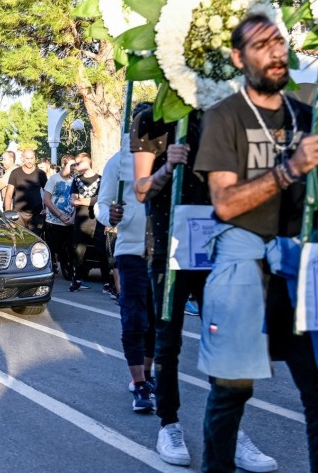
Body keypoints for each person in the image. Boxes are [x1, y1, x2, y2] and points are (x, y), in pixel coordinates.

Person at [194, 13, 318, 473]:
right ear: (239, 58)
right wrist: (289, 169)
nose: (275, 52)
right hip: (245, 273)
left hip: (303, 275)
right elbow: (223, 202)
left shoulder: (307, 115)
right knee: (231, 395)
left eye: (279, 42)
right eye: (261, 45)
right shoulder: (224, 116)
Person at [131, 103, 220, 465]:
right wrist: (168, 166)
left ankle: (228, 422)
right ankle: (169, 424)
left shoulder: (222, 114)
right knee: (168, 339)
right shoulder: (152, 119)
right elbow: (140, 189)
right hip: (169, 244)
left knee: (223, 336)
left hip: (215, 240)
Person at [94, 148, 153, 413]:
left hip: (162, 252)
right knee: (134, 318)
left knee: (156, 320)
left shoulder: (167, 160)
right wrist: (111, 217)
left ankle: (148, 375)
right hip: (130, 250)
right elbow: (101, 204)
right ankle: (138, 383)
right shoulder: (118, 161)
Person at [69, 152, 100, 292]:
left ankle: (109, 284)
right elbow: (72, 200)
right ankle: (76, 280)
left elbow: (97, 199)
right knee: (78, 252)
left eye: (79, 162)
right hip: (80, 220)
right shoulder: (76, 180)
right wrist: (85, 201)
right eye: (75, 163)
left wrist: (82, 200)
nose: (76, 166)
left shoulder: (100, 179)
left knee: (102, 252)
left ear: (88, 161)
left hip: (96, 220)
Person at [43, 154, 75, 278]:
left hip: (69, 220)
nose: (73, 168)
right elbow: (47, 199)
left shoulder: (75, 180)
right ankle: (48, 271)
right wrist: (60, 215)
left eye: (75, 165)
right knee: (52, 248)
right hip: (54, 221)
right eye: (71, 165)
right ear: (63, 165)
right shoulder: (54, 179)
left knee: (69, 249)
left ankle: (70, 273)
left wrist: (72, 218)